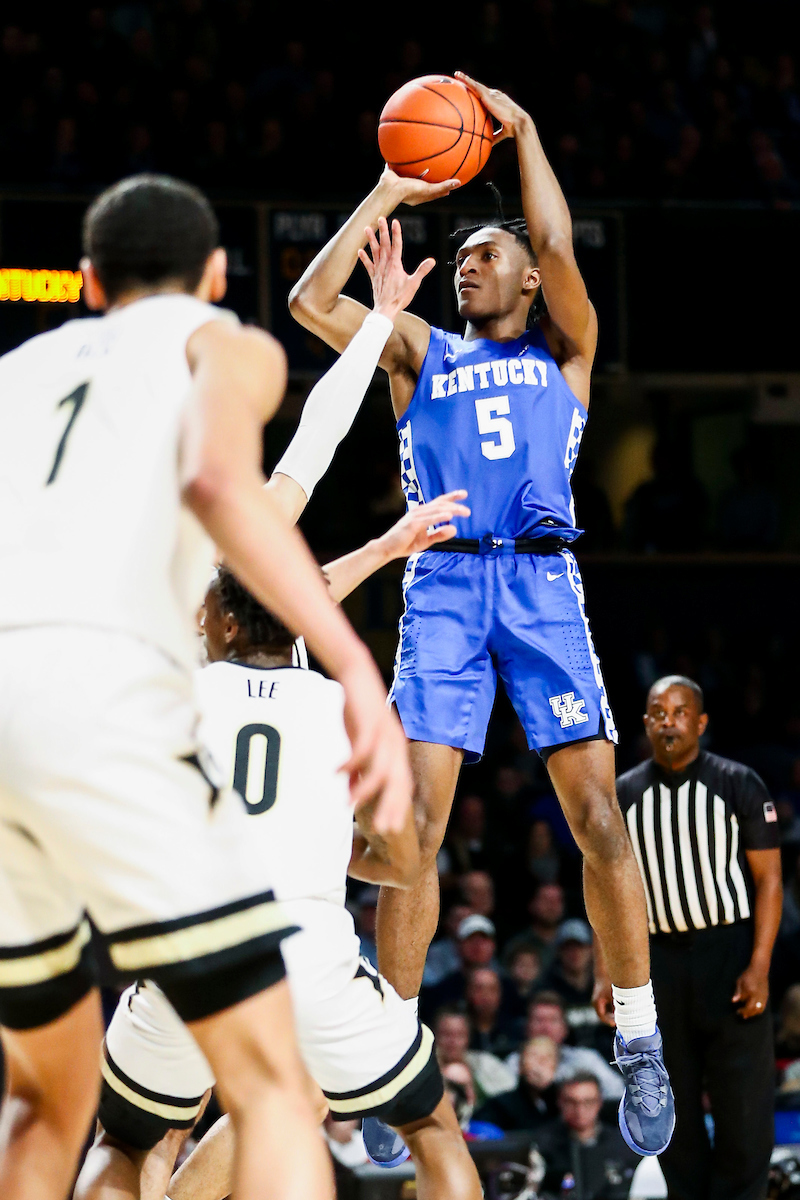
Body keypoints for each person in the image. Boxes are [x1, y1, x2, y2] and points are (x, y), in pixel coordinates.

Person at [0, 174, 412, 1200]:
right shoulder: (220, 358)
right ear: (219, 276)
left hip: (18, 722)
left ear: (89, 283)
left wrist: (383, 326)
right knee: (280, 1094)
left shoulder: (18, 373)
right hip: (116, 735)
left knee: (52, 1106)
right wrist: (353, 661)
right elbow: (260, 469)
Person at [289, 71, 673, 1158]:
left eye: (483, 253)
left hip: (544, 584)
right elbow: (313, 305)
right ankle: (385, 1062)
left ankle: (636, 1035)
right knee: (411, 836)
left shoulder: (564, 348)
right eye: (458, 257)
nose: (466, 263)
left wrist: (527, 130)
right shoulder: (419, 351)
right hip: (446, 585)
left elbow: (553, 241)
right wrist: (383, 188)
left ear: (523, 276)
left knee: (599, 820)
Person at [74, 203, 483, 1200]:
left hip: (175, 934)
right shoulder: (222, 565)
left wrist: (383, 548)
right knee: (356, 1112)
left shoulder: (162, 584)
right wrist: (381, 324)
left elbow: (309, 449)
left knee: (144, 1139)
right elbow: (316, 434)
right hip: (299, 942)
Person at [77, 566, 482, 1200]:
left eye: (205, 614)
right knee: (431, 1128)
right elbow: (404, 862)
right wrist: (327, 851)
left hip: (191, 946)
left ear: (229, 624)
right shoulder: (347, 705)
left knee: (125, 1140)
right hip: (310, 954)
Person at [596, 675, 783, 1200]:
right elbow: (604, 893)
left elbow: (769, 880)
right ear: (646, 723)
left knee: (744, 1110)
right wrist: (602, 975)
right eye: (658, 712)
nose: (668, 721)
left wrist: (760, 965)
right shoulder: (625, 794)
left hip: (729, 953)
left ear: (700, 722)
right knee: (667, 1104)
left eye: (680, 712)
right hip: (657, 966)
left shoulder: (738, 783)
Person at [532, 1073, 639, 1200]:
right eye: (571, 1102)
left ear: (599, 1102)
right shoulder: (542, 1145)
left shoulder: (623, 1144)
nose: (580, 1109)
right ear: (560, 1102)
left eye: (588, 1102)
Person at [506, 993, 623, 1103]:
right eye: (539, 1020)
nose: (545, 1028)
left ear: (565, 1029)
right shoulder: (515, 1062)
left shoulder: (586, 1059)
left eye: (553, 1020)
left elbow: (618, 1093)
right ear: (527, 1028)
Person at [421, 913, 500, 1019]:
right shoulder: (442, 992)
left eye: (483, 939)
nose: (478, 945)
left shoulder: (508, 989)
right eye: (471, 939)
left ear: (493, 945)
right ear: (458, 946)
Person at [474, 1036, 559, 1132]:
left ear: (555, 1066)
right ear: (520, 1065)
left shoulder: (565, 1103)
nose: (540, 1064)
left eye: (547, 1058)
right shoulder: (501, 1105)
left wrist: (549, 1089)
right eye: (533, 1056)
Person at [434, 1007, 516, 1105]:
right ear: (435, 1035)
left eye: (459, 1035)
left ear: (468, 1037)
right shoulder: (424, 1067)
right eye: (446, 1034)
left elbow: (512, 1094)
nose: (452, 1041)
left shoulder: (486, 1063)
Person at [503, 882, 566, 974]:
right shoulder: (517, 945)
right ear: (532, 904)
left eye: (557, 901)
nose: (552, 906)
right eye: (546, 900)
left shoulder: (572, 943)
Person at [465, 967, 521, 1060]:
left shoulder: (514, 1030)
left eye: (492, 989)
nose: (485, 995)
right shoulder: (459, 1030)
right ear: (468, 992)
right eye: (479, 989)